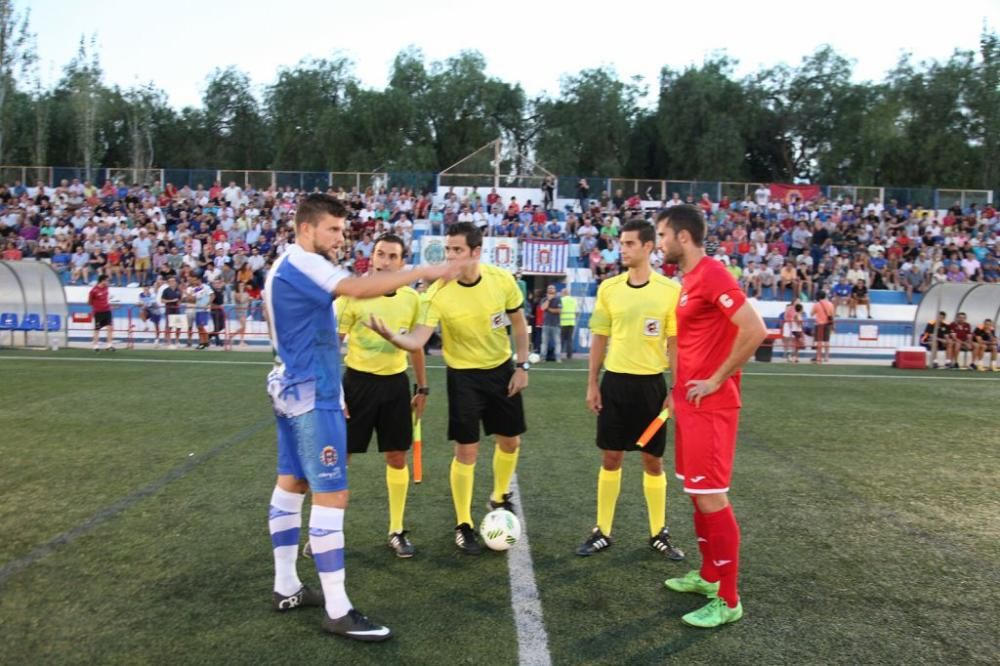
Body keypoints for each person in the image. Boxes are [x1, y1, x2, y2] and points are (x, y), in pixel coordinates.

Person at [263, 194, 462, 642]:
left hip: (291, 386)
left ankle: (287, 586)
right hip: (314, 395)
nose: (340, 238)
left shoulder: (283, 265)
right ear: (306, 228)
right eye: (332, 230)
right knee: (332, 495)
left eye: (341, 230)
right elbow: (354, 288)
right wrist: (426, 271)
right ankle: (337, 609)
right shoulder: (306, 263)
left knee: (292, 483)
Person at [368, 222, 530, 555]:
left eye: (457, 250)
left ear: (475, 252)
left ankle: (500, 496)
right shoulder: (437, 294)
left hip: (501, 371)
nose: (451, 256)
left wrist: (522, 365)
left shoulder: (502, 281)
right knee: (466, 451)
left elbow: (518, 323)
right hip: (463, 377)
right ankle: (463, 524)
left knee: (510, 441)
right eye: (448, 250)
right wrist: (392, 336)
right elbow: (417, 340)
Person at [657, 205, 767, 629]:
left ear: (683, 237)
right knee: (696, 493)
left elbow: (754, 329)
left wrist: (718, 378)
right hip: (690, 404)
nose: (660, 243)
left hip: (712, 406)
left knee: (712, 496)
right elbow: (695, 343)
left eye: (663, 235)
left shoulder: (713, 274)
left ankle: (729, 598)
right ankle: (707, 576)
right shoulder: (689, 282)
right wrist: (678, 391)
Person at [577, 219, 684, 560]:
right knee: (611, 457)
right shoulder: (609, 288)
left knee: (654, 461)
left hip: (652, 387)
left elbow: (675, 344)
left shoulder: (670, 291)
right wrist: (593, 382)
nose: (622, 249)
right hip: (615, 384)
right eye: (621, 244)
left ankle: (658, 533)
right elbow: (599, 337)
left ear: (649, 247)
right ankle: (602, 531)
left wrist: (675, 389)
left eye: (628, 244)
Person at [333, 233, 428, 558]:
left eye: (392, 256)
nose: (385, 261)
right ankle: (328, 531)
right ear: (371, 258)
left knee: (396, 456)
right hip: (355, 385)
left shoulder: (412, 300)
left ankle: (397, 530)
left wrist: (422, 386)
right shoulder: (352, 296)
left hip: (395, 386)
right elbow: (333, 343)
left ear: (402, 263)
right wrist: (333, 390)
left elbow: (416, 347)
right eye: (380, 254)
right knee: (342, 458)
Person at [89, 274, 115, 351]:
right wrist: (97, 307)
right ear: (102, 281)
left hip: (107, 311)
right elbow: (90, 302)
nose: (108, 282)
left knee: (110, 327)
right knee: (97, 329)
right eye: (107, 280)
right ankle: (95, 346)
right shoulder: (93, 291)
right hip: (98, 312)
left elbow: (107, 298)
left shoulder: (107, 288)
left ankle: (109, 345)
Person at [811, 290, 835, 364]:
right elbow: (832, 316)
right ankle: (827, 357)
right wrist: (833, 326)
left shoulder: (816, 304)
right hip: (827, 324)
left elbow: (811, 314)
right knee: (827, 341)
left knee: (819, 342)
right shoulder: (830, 304)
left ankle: (819, 356)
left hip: (819, 324)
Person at [540, 284, 562, 362]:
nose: (551, 289)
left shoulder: (558, 299)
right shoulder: (544, 299)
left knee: (557, 342)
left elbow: (559, 311)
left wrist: (548, 309)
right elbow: (543, 308)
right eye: (549, 288)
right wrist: (549, 300)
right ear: (547, 290)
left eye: (552, 288)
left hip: (556, 324)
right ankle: (543, 358)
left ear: (555, 290)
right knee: (544, 343)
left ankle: (558, 358)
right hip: (546, 324)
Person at [560, 286, 577, 360]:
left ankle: (559, 354)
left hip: (563, 322)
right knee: (569, 340)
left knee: (561, 340)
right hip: (571, 322)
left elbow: (560, 310)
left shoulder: (561, 300)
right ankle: (569, 355)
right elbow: (575, 311)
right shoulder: (573, 300)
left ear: (563, 293)